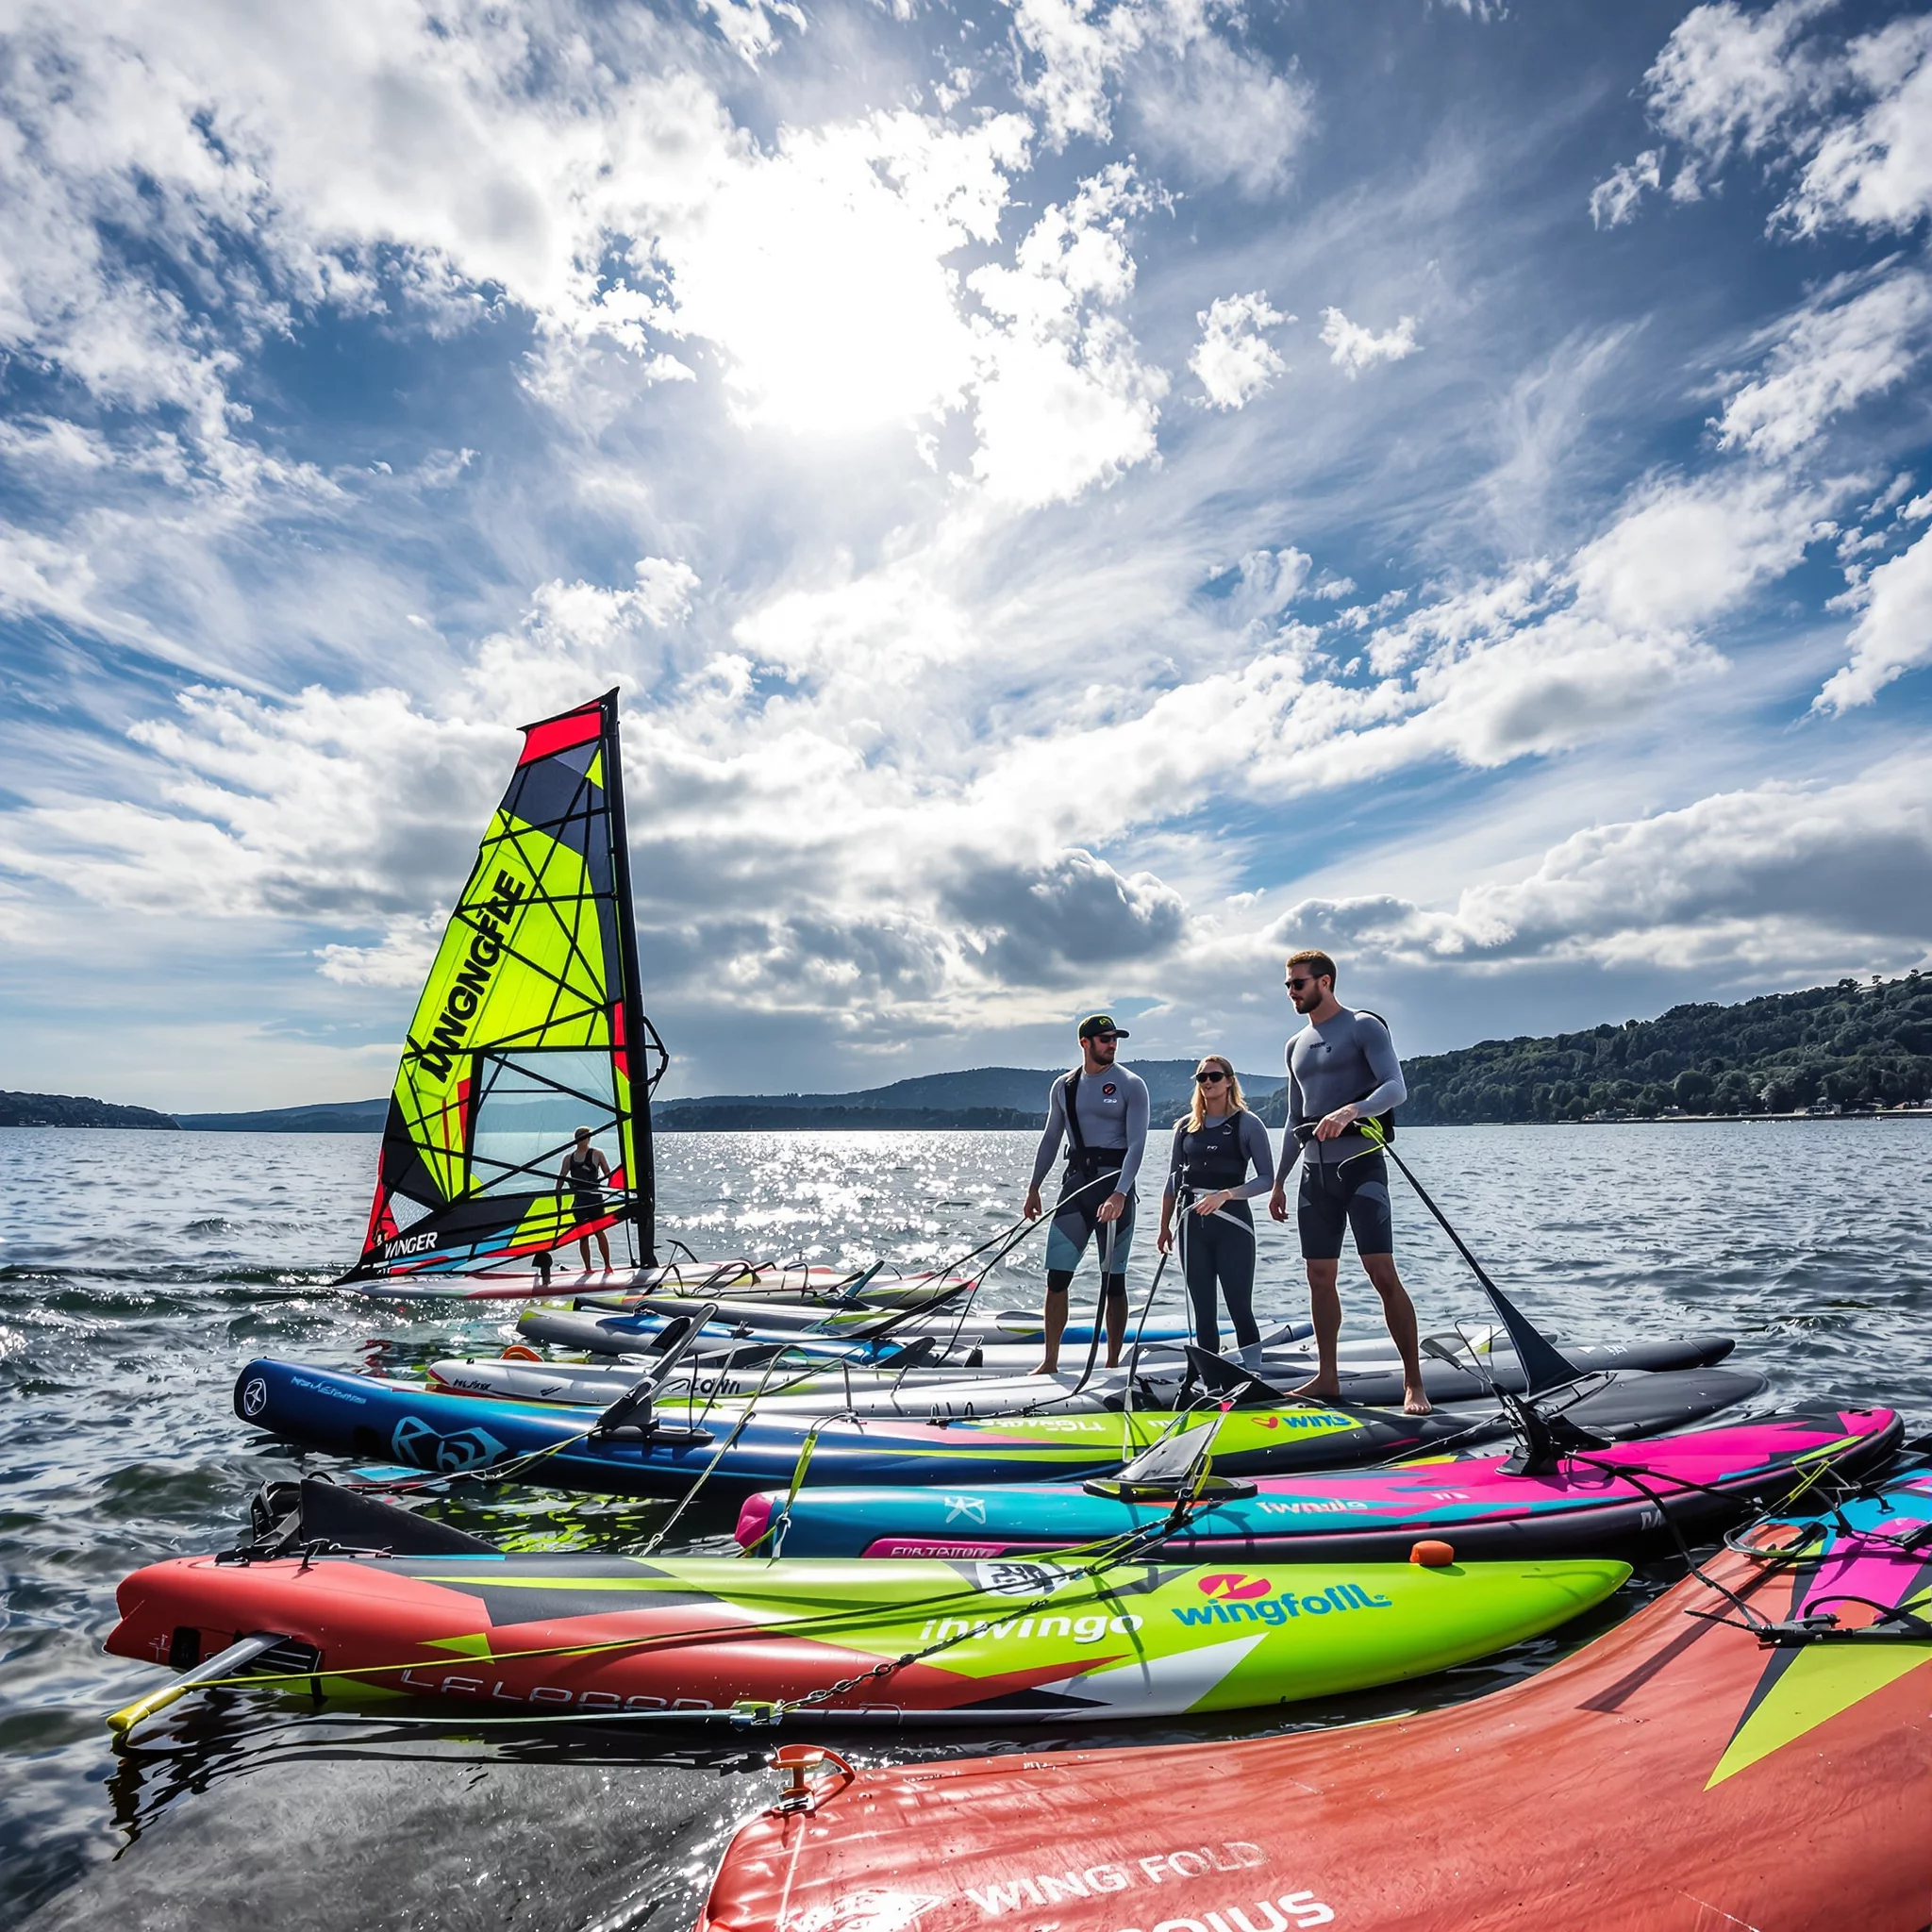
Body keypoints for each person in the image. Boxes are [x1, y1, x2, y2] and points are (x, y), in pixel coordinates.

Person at [1266, 949, 1431, 1414]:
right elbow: (1294, 1118)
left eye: (1298, 983)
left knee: (1381, 1273)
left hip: (1361, 1166)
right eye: (1287, 985)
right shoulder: (1294, 1044)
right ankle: (1327, 1377)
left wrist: (1352, 1110)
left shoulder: (1363, 1026)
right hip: (1314, 1174)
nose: (1291, 992)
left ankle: (1414, 1383)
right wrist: (1279, 1180)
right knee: (1319, 1275)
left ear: (1325, 982)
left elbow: (1395, 1087)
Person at [1023, 1013, 1150, 1374]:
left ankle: (1112, 1362)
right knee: (1057, 1277)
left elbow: (1138, 1144)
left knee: (1114, 1280)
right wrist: (1034, 1187)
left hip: (1115, 1189)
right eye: (1105, 1039)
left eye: (1115, 1039)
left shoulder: (1131, 1084)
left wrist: (1121, 1193)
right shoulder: (1064, 1086)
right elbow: (1050, 1139)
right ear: (1085, 1043)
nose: (1112, 1044)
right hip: (1076, 1188)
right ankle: (1050, 1361)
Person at [1157, 1056, 1274, 1369]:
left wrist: (1227, 1195)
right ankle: (1209, 1373)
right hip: (1190, 1228)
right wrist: (1164, 1226)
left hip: (1233, 1226)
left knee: (1238, 1305)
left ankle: (1254, 1372)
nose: (1207, 1082)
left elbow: (1266, 1179)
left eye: (1214, 1076)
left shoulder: (1248, 1124)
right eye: (1201, 1078)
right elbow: (1173, 1180)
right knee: (1203, 1310)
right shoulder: (1185, 1127)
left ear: (1229, 1081)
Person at [558, 1125, 613, 1272]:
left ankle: (607, 1265)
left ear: (589, 1138)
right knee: (583, 1235)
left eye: (586, 1137)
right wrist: (557, 1194)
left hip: (595, 1199)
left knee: (599, 1231)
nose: (584, 1140)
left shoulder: (597, 1154)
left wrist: (614, 1189)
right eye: (581, 1138)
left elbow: (608, 1173)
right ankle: (588, 1268)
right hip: (579, 1201)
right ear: (576, 1140)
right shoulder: (569, 1158)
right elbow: (561, 1177)